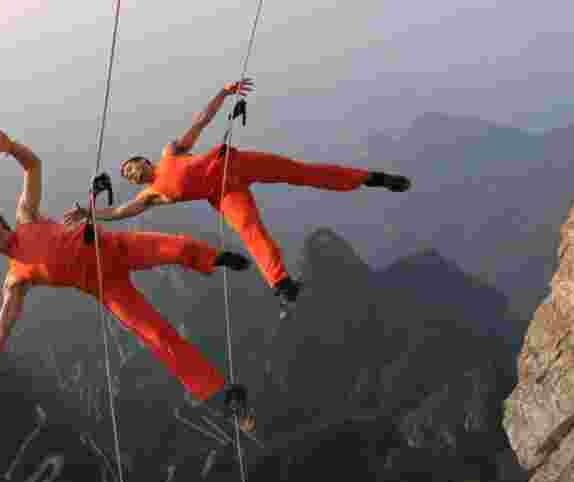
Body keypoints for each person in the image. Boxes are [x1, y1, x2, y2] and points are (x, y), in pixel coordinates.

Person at [0, 126, 255, 431]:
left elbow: (33, 165)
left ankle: (216, 257)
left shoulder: (25, 218)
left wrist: (11, 147)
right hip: (106, 287)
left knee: (173, 247)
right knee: (157, 335)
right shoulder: (14, 280)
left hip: (112, 247)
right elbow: (2, 329)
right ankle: (221, 393)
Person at [63, 78, 411, 315]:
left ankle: (371, 178)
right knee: (250, 230)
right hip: (226, 192)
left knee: (302, 172)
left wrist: (223, 92)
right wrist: (89, 214)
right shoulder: (152, 194)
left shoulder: (171, 152)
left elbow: (200, 122)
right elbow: (120, 212)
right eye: (126, 175)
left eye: (131, 166)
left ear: (143, 160)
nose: (130, 173)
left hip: (237, 162)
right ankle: (281, 283)